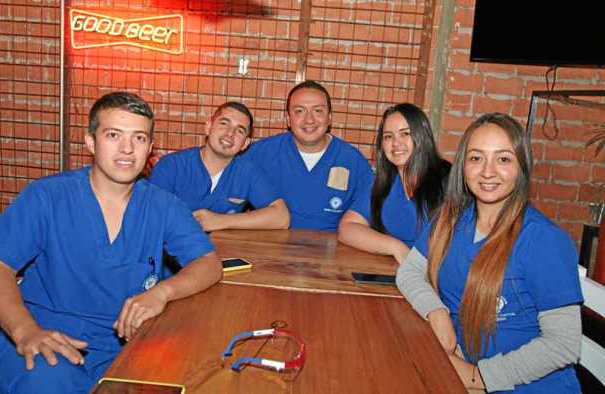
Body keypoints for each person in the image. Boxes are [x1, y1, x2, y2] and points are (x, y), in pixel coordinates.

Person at [0, 92, 222, 393]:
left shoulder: (163, 206)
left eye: (139, 138)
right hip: (43, 336)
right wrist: (25, 331)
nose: (127, 149)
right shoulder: (48, 196)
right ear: (91, 142)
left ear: (151, 149)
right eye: (113, 135)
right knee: (45, 381)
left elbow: (208, 263)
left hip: (124, 347)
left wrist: (162, 293)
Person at [397, 113, 583, 392]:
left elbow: (563, 345)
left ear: (522, 166)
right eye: (476, 158)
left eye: (503, 159)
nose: (487, 171)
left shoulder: (544, 240)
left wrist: (477, 376)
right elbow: (409, 271)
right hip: (457, 369)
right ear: (462, 166)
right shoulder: (450, 219)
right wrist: (435, 311)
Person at [243, 80, 374, 232]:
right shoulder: (260, 153)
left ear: (329, 117)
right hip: (271, 249)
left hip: (331, 251)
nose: (309, 119)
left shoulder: (353, 161)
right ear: (288, 119)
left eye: (318, 111)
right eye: (299, 111)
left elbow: (364, 218)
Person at [149, 101, 290, 231]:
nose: (230, 133)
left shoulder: (247, 172)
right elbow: (152, 217)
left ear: (245, 144)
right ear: (208, 127)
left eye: (240, 130)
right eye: (224, 123)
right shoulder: (170, 166)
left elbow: (282, 217)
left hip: (224, 253)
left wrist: (220, 220)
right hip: (170, 254)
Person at [337, 103, 450, 263]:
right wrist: (395, 247)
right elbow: (346, 228)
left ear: (421, 135)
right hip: (398, 274)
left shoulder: (447, 181)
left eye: (405, 134)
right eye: (388, 136)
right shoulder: (383, 183)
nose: (396, 143)